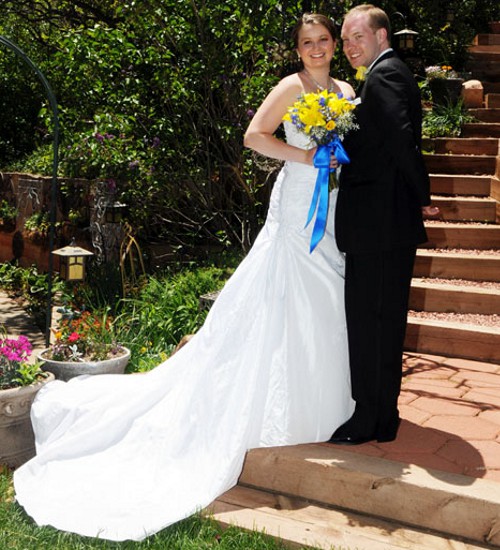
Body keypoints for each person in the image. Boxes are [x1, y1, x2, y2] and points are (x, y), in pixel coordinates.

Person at [13, 14, 355, 541]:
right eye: (306, 42)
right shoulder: (291, 86)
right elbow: (253, 136)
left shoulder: (345, 89)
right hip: (296, 202)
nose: (316, 49)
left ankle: (324, 397)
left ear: (334, 44)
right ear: (298, 49)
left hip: (329, 205)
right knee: (287, 289)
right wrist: (305, 154)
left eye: (323, 40)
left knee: (324, 294)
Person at [329, 5, 439, 446]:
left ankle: (368, 417)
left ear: (381, 35)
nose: (351, 46)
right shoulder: (385, 74)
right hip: (384, 224)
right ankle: (382, 415)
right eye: (347, 39)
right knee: (383, 320)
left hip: (378, 224)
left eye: (358, 36)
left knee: (369, 319)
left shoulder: (384, 75)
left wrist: (422, 196)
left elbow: (400, 139)